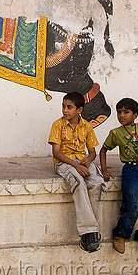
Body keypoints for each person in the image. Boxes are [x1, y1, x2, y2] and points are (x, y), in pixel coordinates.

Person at [99, 97, 138, 256]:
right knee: (131, 206)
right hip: (131, 172)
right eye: (119, 112)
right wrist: (104, 170)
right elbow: (103, 150)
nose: (121, 115)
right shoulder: (115, 133)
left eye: (126, 112)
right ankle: (120, 234)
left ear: (135, 115)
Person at [48, 91, 104, 253]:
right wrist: (76, 165)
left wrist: (88, 160)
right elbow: (56, 153)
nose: (65, 110)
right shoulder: (57, 125)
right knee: (78, 183)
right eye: (64, 106)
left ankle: (95, 230)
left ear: (79, 110)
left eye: (69, 107)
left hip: (81, 161)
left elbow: (92, 151)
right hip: (64, 162)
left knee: (98, 183)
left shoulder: (86, 126)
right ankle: (88, 232)